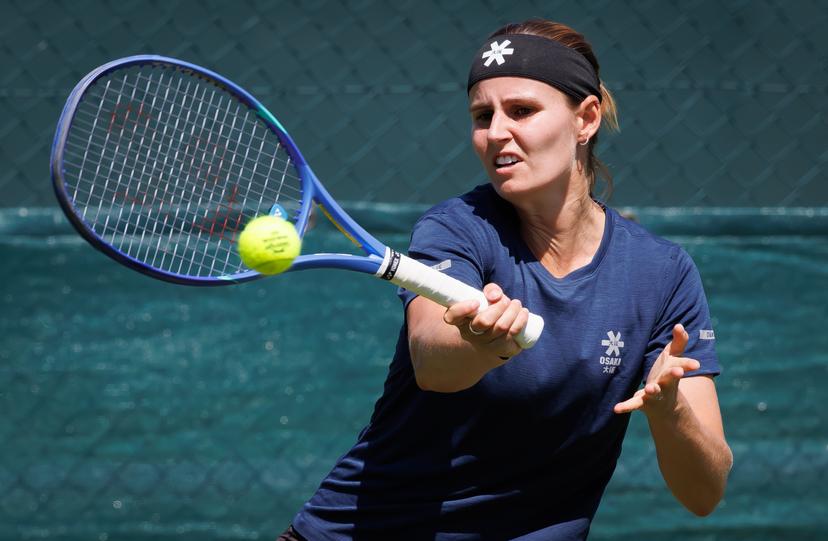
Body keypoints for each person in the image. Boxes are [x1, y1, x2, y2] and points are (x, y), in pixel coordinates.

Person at [279, 18, 733, 541]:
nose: (496, 132)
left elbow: (704, 494)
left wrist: (670, 411)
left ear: (585, 119)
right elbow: (433, 362)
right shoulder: (456, 227)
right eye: (482, 115)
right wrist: (481, 343)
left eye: (521, 111)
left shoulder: (662, 272)